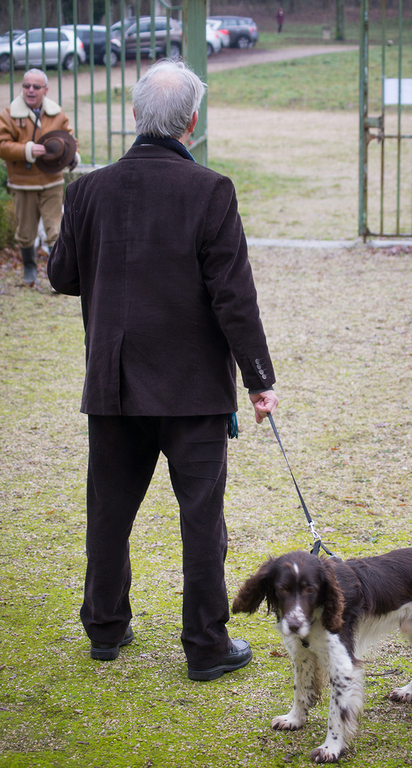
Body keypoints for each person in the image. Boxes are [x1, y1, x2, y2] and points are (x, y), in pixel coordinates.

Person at [47, 59, 279, 681]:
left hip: (114, 383)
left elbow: (62, 276)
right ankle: (205, 645)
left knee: (109, 512)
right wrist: (259, 380)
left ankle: (104, 627)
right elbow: (234, 297)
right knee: (201, 520)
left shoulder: (87, 190)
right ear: (191, 122)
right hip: (193, 389)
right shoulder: (211, 190)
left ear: (134, 114)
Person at [0, 68, 79, 287]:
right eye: (26, 86)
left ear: (46, 89)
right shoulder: (9, 114)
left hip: (52, 181)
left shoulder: (57, 113)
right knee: (26, 232)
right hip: (23, 183)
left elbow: (70, 139)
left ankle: (56, 276)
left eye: (36, 87)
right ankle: (29, 269)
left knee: (55, 230)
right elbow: (2, 145)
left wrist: (72, 156)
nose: (30, 90)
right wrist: (26, 150)